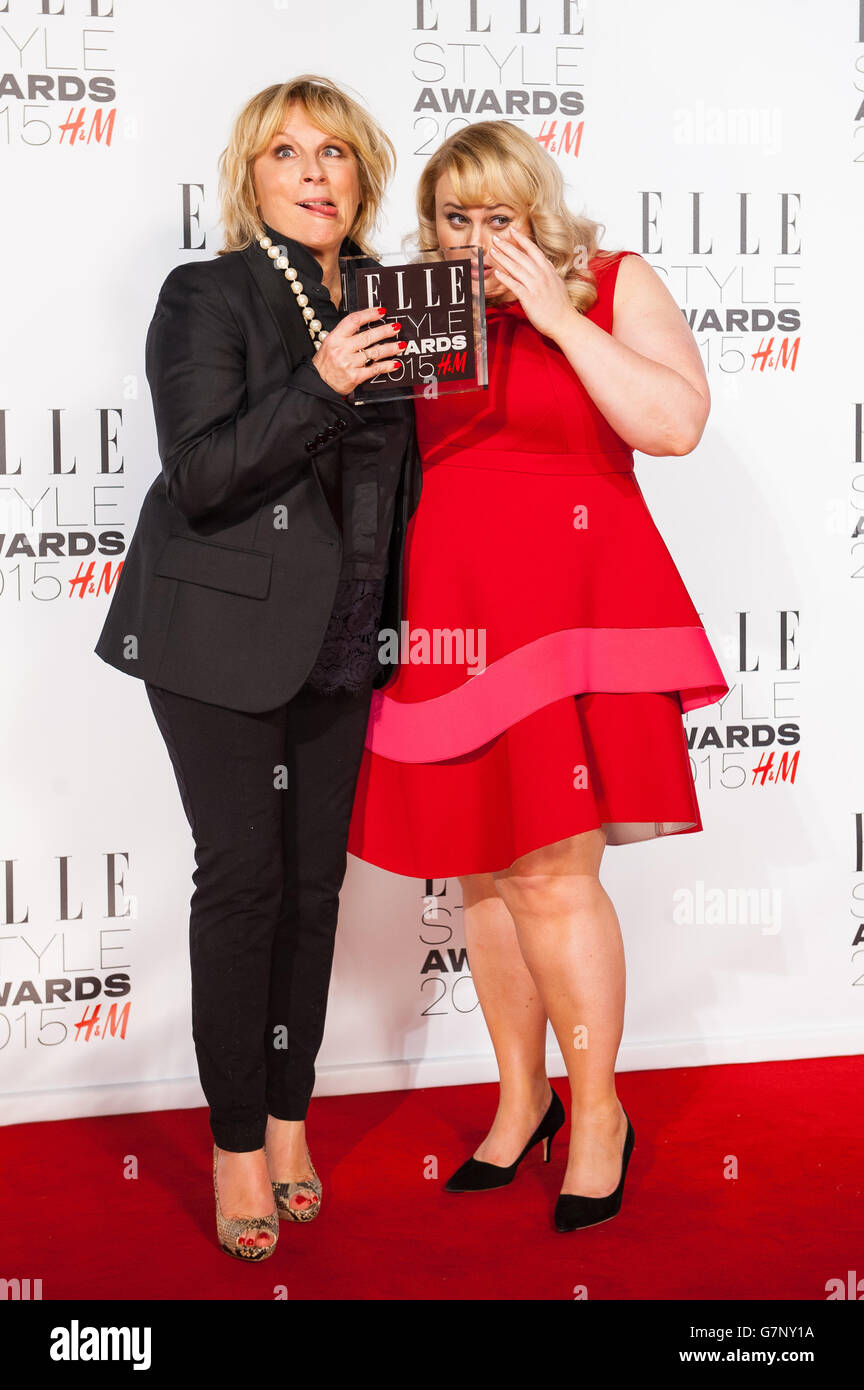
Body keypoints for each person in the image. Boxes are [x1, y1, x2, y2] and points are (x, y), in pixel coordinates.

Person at [347, 121, 729, 1232]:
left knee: (555, 876)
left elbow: (674, 423)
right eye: (454, 218)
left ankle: (598, 1110)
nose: (477, 237)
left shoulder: (611, 281)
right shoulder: (412, 308)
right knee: (482, 876)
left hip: (578, 612)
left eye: (497, 216)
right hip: (451, 621)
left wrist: (557, 315)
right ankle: (520, 1102)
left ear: (538, 209)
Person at [94, 75, 420, 1260]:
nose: (314, 171)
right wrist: (322, 382)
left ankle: (290, 1119)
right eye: (286, 153)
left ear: (362, 173)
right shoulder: (209, 294)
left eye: (334, 151)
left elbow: (399, 485)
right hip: (218, 637)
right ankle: (236, 1141)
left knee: (314, 890)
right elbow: (202, 473)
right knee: (243, 884)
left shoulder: (393, 299)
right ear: (253, 177)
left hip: (339, 632)